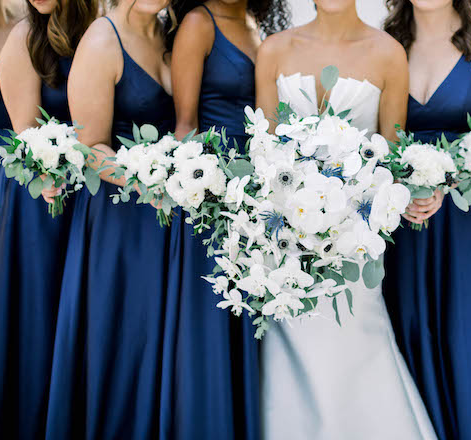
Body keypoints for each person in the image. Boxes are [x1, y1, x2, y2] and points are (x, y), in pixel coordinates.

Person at [255, 1, 438, 438]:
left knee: (356, 350)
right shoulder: (274, 50)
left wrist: (419, 190)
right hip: (286, 248)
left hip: (354, 246)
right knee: (292, 360)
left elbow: (391, 164)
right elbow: (262, 155)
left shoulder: (389, 53)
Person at [382, 0, 471, 439]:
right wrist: (400, 187)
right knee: (408, 335)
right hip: (407, 222)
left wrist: (446, 183)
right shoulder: (386, 44)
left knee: (470, 342)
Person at [42, 1, 177, 437]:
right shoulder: (102, 39)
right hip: (120, 225)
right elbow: (90, 147)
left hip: (169, 222)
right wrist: (147, 183)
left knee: (159, 348)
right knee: (123, 343)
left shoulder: (169, 32)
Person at [167, 1, 289, 437]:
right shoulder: (200, 24)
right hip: (213, 199)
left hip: (260, 198)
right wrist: (210, 198)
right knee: (212, 325)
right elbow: (185, 127)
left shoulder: (257, 24)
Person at [0, 1, 98, 437]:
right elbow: (25, 133)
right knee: (39, 314)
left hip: (95, 199)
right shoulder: (25, 38)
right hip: (38, 201)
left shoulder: (102, 30)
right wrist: (49, 171)